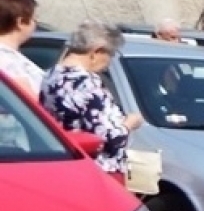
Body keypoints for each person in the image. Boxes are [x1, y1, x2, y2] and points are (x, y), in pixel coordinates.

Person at [39, 21, 145, 178]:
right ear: (97, 51)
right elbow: (109, 137)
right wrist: (130, 123)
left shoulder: (51, 74)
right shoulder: (86, 82)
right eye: (111, 54)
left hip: (66, 161)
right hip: (98, 170)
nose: (109, 62)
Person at [0, 0, 45, 98]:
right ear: (20, 23)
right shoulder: (6, 62)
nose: (36, 25)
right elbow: (33, 104)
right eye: (34, 19)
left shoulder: (11, 56)